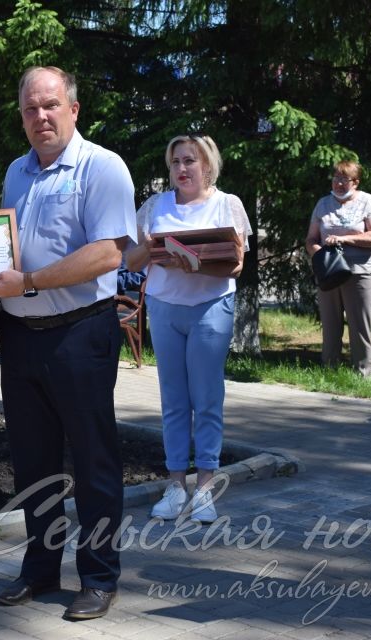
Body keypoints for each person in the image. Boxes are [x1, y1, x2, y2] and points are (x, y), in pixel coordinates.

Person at [0, 66, 136, 621]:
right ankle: (40, 570)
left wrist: (32, 283)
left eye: (49, 106)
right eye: (29, 109)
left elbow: (109, 253)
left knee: (93, 459)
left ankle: (98, 576)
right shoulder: (16, 172)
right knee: (33, 462)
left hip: (79, 333)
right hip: (20, 336)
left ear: (73, 109)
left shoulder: (102, 166)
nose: (40, 117)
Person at [125, 134, 250, 525]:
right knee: (174, 400)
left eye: (190, 162)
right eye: (176, 162)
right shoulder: (155, 206)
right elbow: (131, 262)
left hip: (210, 308)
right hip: (165, 308)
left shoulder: (227, 204)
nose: (182, 169)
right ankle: (175, 484)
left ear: (207, 166)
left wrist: (194, 263)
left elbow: (236, 265)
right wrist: (149, 246)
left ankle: (206, 487)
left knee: (206, 398)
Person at [305, 160, 371, 376]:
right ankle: (330, 371)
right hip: (329, 273)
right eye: (336, 178)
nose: (339, 183)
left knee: (360, 327)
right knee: (330, 326)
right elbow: (311, 239)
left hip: (360, 272)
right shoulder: (323, 204)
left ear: (355, 182)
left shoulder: (368, 202)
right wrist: (319, 253)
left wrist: (345, 239)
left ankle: (362, 374)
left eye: (344, 179)